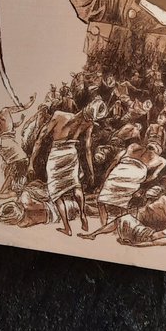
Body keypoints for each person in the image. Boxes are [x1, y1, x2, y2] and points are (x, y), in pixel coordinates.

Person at [29, 99, 106, 236]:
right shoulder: (88, 124)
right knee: (75, 185)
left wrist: (31, 162)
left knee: (56, 192)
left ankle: (67, 227)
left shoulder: (59, 115)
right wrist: (91, 171)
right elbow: (87, 149)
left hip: (57, 154)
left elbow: (40, 138)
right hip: (71, 153)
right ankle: (83, 214)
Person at [0, 96, 36, 198]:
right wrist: (32, 100)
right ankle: (4, 192)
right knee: (23, 162)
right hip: (8, 143)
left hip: (1, 145)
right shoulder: (5, 111)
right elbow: (23, 107)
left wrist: (21, 121)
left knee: (14, 169)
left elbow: (11, 125)